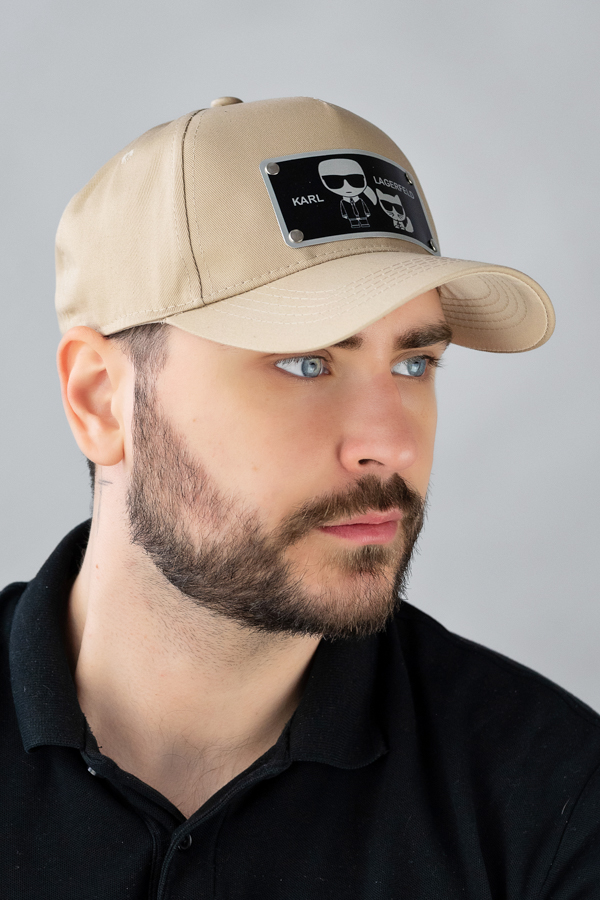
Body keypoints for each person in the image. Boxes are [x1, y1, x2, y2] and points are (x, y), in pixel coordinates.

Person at [2, 95, 598, 899]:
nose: (390, 443)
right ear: (102, 401)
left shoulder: (553, 806)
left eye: (415, 363)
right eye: (305, 363)